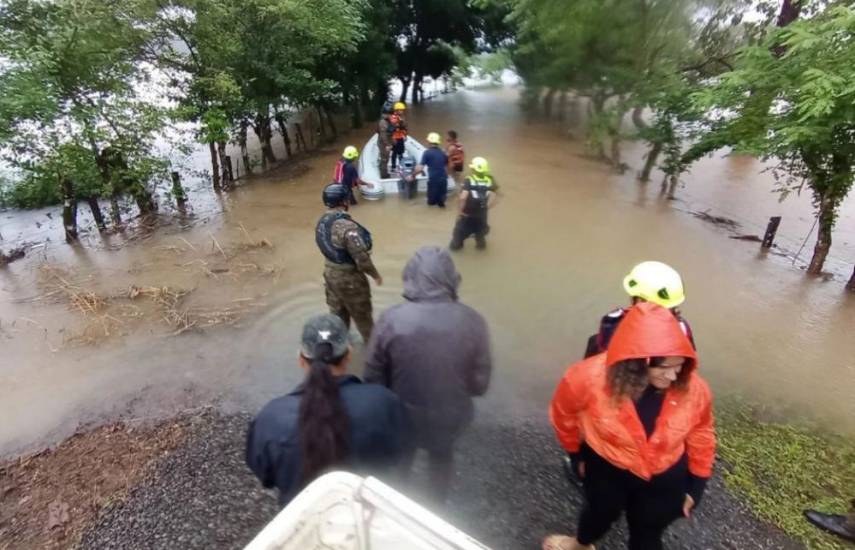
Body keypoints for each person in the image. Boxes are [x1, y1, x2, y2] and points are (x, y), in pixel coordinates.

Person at [544, 302, 716, 550]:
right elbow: (564, 417)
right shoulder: (585, 378)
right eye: (664, 368)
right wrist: (576, 455)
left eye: (679, 366)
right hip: (607, 468)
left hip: (664, 475)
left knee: (648, 531)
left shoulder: (695, 388)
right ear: (638, 362)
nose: (673, 376)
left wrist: (698, 483)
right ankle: (580, 544)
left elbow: (702, 431)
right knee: (598, 513)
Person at [364, 246, 492, 503]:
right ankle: (436, 505)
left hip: (402, 414)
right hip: (450, 415)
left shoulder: (390, 319)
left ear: (410, 276)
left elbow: (372, 376)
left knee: (402, 458)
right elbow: (480, 385)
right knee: (441, 456)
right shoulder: (474, 321)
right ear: (452, 279)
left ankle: (397, 504)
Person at [245, 314, 406, 505]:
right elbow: (400, 452)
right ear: (349, 355)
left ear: (301, 359)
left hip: (304, 515)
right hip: (368, 509)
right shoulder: (383, 401)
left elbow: (266, 475)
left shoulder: (271, 418)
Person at [584, 261, 695, 358]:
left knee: (594, 342)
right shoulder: (682, 328)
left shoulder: (614, 322)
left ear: (638, 300)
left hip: (623, 368)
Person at [316, 183, 383, 342]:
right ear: (344, 201)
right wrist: (375, 275)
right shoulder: (347, 227)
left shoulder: (322, 221)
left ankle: (340, 347)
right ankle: (373, 350)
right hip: (349, 279)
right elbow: (361, 258)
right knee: (363, 318)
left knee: (338, 315)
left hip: (330, 275)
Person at [449, 156, 497, 251]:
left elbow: (463, 197)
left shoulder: (469, 180)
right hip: (482, 214)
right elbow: (497, 195)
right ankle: (481, 249)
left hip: (468, 214)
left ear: (473, 169)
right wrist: (488, 206)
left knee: (458, 236)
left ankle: (456, 249)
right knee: (480, 234)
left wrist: (460, 212)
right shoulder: (490, 179)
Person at [411, 132, 449, 207]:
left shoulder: (427, 153)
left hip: (433, 181)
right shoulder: (443, 153)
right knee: (441, 203)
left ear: (429, 142)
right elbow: (446, 166)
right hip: (443, 180)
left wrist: (413, 176)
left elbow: (420, 168)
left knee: (431, 204)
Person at [377, 102, 394, 179]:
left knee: (386, 158)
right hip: (383, 143)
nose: (391, 116)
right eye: (390, 114)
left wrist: (392, 142)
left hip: (387, 141)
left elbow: (390, 132)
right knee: (384, 159)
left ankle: (383, 171)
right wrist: (387, 145)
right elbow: (383, 135)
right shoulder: (383, 122)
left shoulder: (388, 120)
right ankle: (384, 175)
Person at [390, 102, 408, 170]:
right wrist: (400, 123)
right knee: (394, 153)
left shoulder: (401, 117)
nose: (402, 111)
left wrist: (405, 135)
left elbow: (403, 128)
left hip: (400, 137)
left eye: (402, 110)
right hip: (395, 138)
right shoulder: (394, 117)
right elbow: (395, 126)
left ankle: (401, 165)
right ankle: (393, 166)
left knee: (400, 153)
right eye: (401, 110)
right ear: (397, 110)